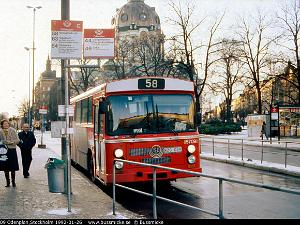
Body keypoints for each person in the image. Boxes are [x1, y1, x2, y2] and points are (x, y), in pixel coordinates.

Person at [0, 119, 20, 187]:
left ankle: (13, 182)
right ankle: (7, 182)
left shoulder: (13, 130)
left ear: (9, 124)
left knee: (12, 167)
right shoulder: (0, 131)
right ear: (2, 125)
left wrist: (11, 142)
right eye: (4, 124)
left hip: (12, 150)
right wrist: (2, 142)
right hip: (3, 151)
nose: (6, 125)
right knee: (5, 167)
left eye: (7, 123)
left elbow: (17, 140)